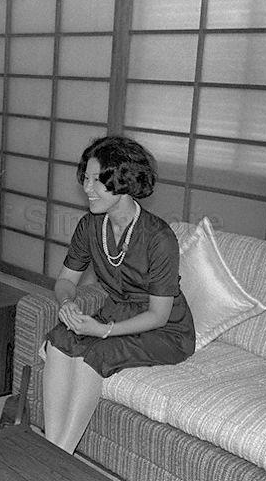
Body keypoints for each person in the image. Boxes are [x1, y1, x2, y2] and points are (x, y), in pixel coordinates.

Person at [42, 135, 195, 453]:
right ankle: (51, 449)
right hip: (117, 312)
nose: (87, 188)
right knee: (59, 340)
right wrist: (67, 304)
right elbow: (65, 281)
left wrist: (103, 330)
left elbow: (158, 315)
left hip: (165, 330)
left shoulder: (159, 237)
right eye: (85, 178)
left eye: (97, 180)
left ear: (124, 182)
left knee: (96, 353)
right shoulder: (89, 225)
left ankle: (60, 456)